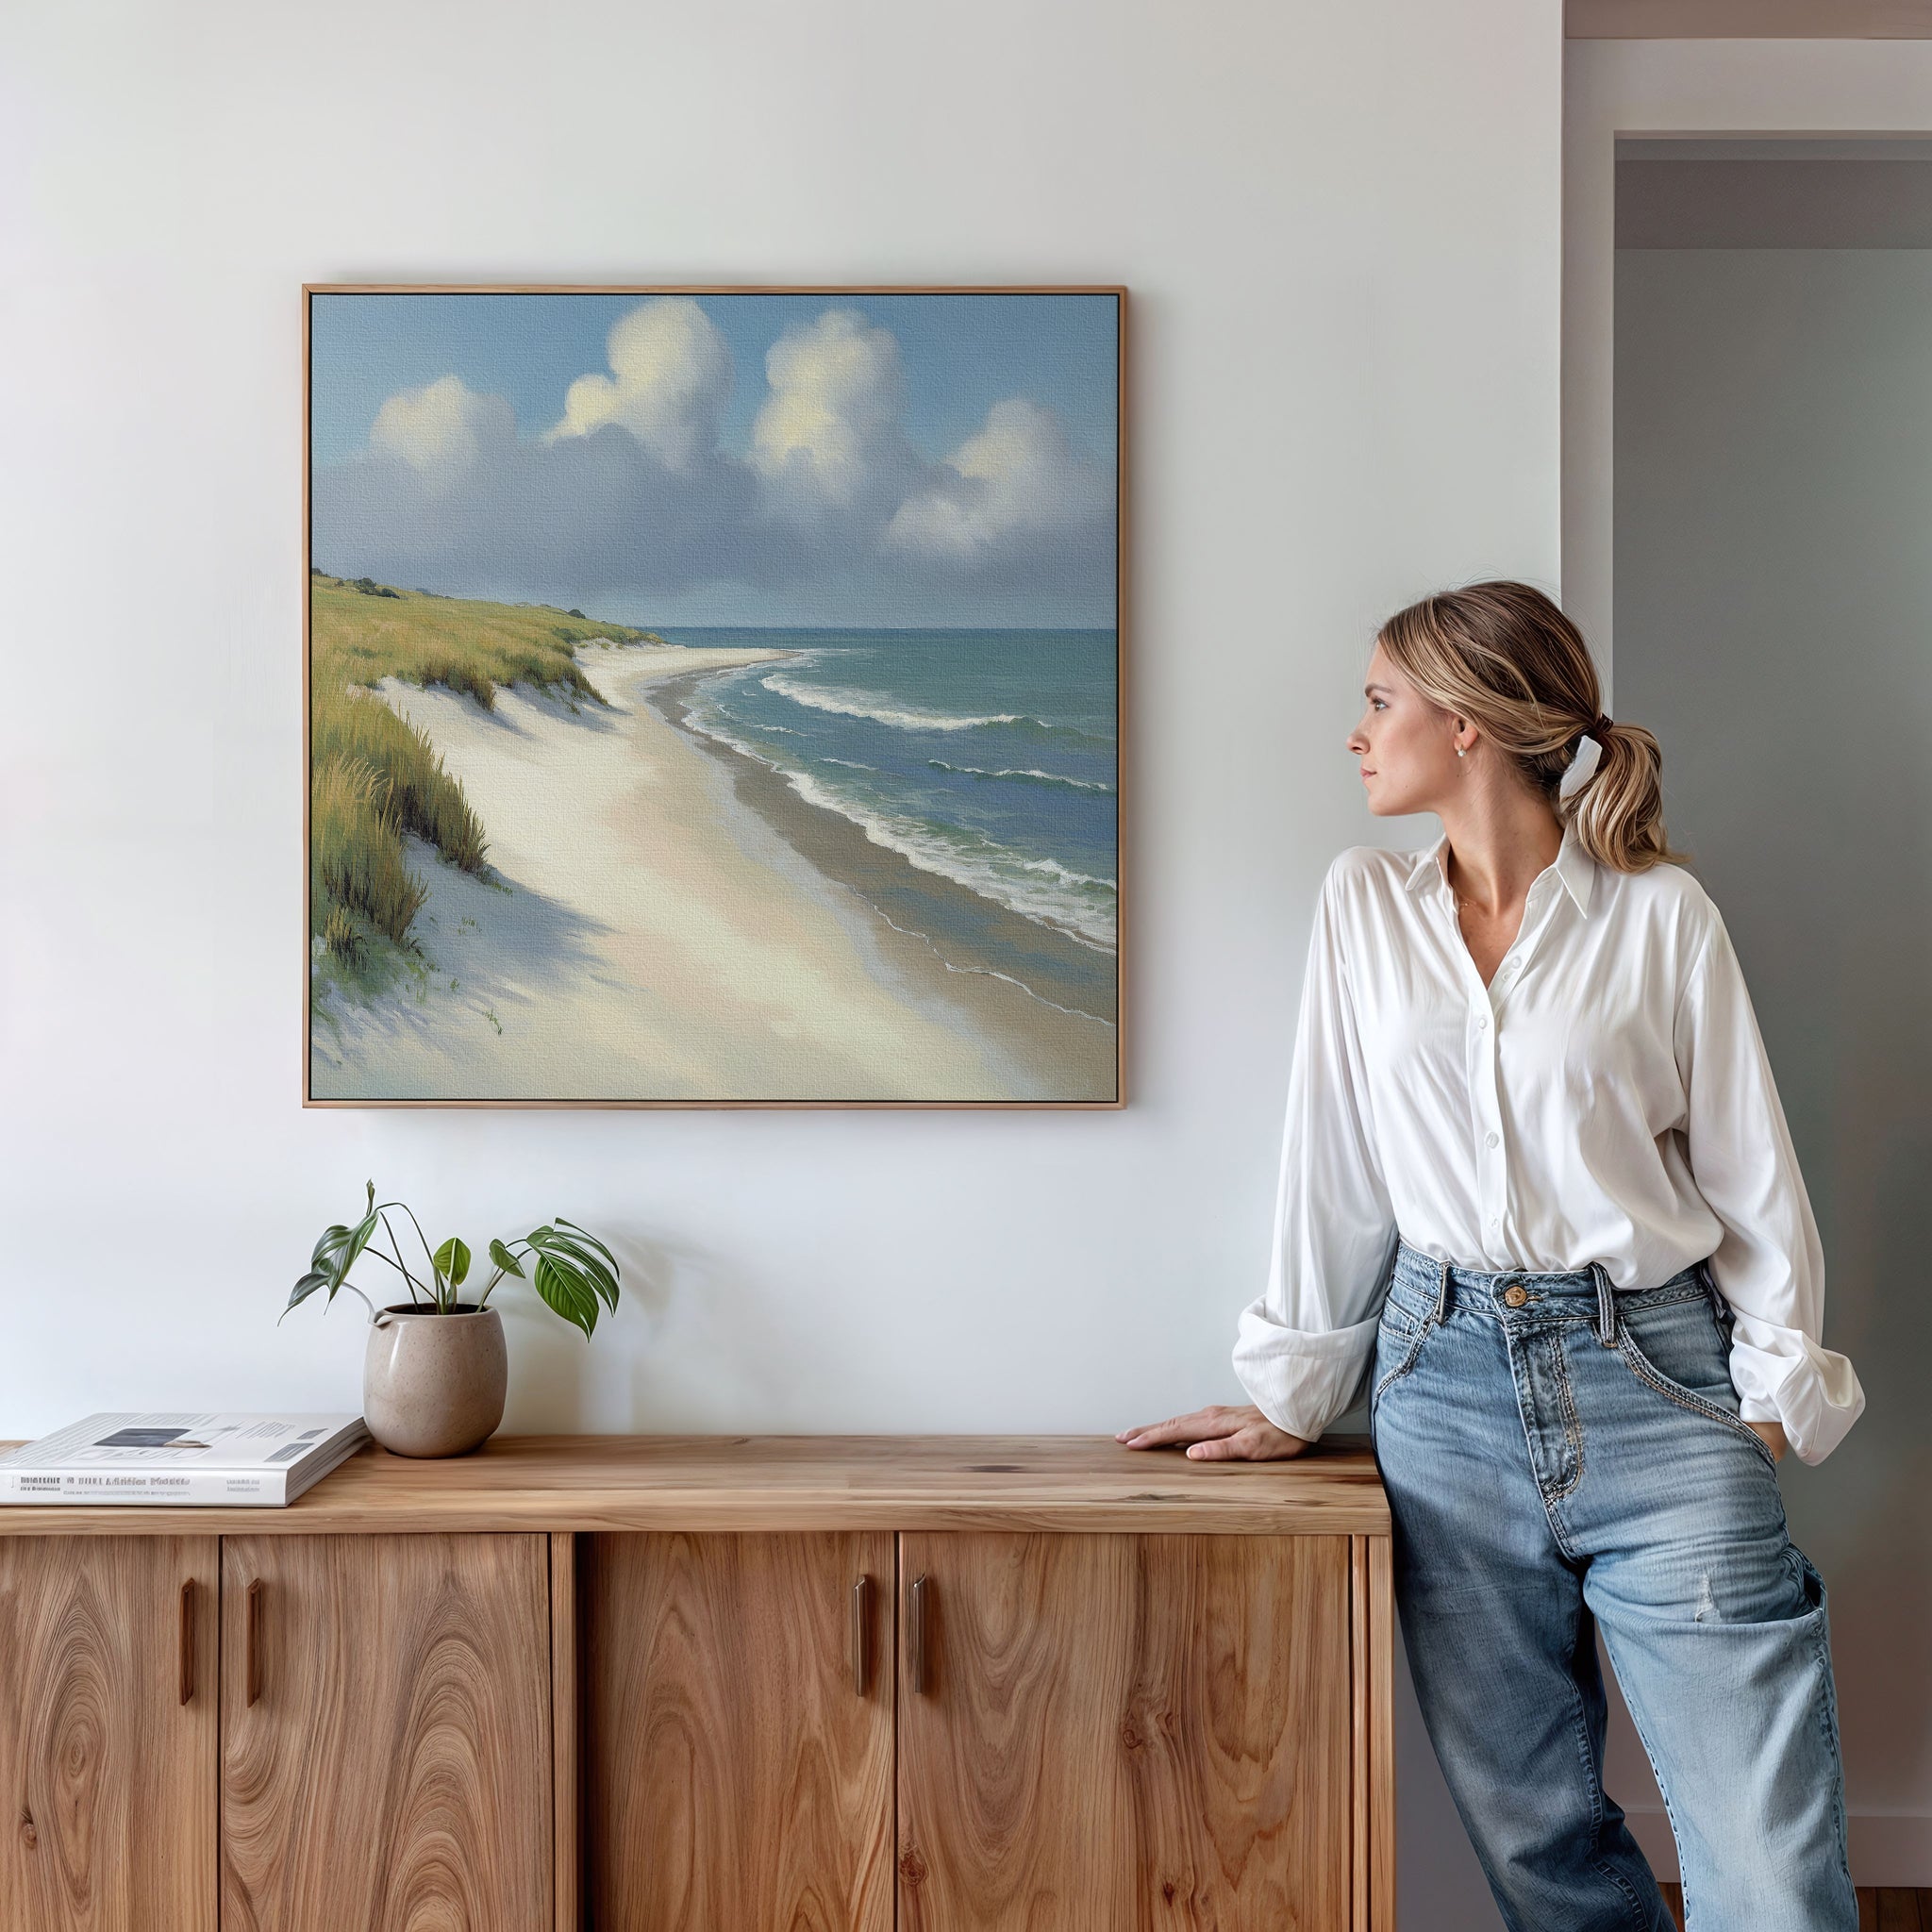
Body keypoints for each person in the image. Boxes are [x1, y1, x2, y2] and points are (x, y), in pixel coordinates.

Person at [1117, 581, 1865, 1930]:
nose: (1356, 733)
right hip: (1441, 1388)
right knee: (1539, 1847)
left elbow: (1753, 1171)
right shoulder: (1362, 908)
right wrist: (1298, 1389)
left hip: (1660, 1377)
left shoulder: (1660, 916)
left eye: (1378, 700)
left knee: (1767, 1861)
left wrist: (1767, 1395)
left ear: (1466, 725)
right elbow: (1331, 1161)